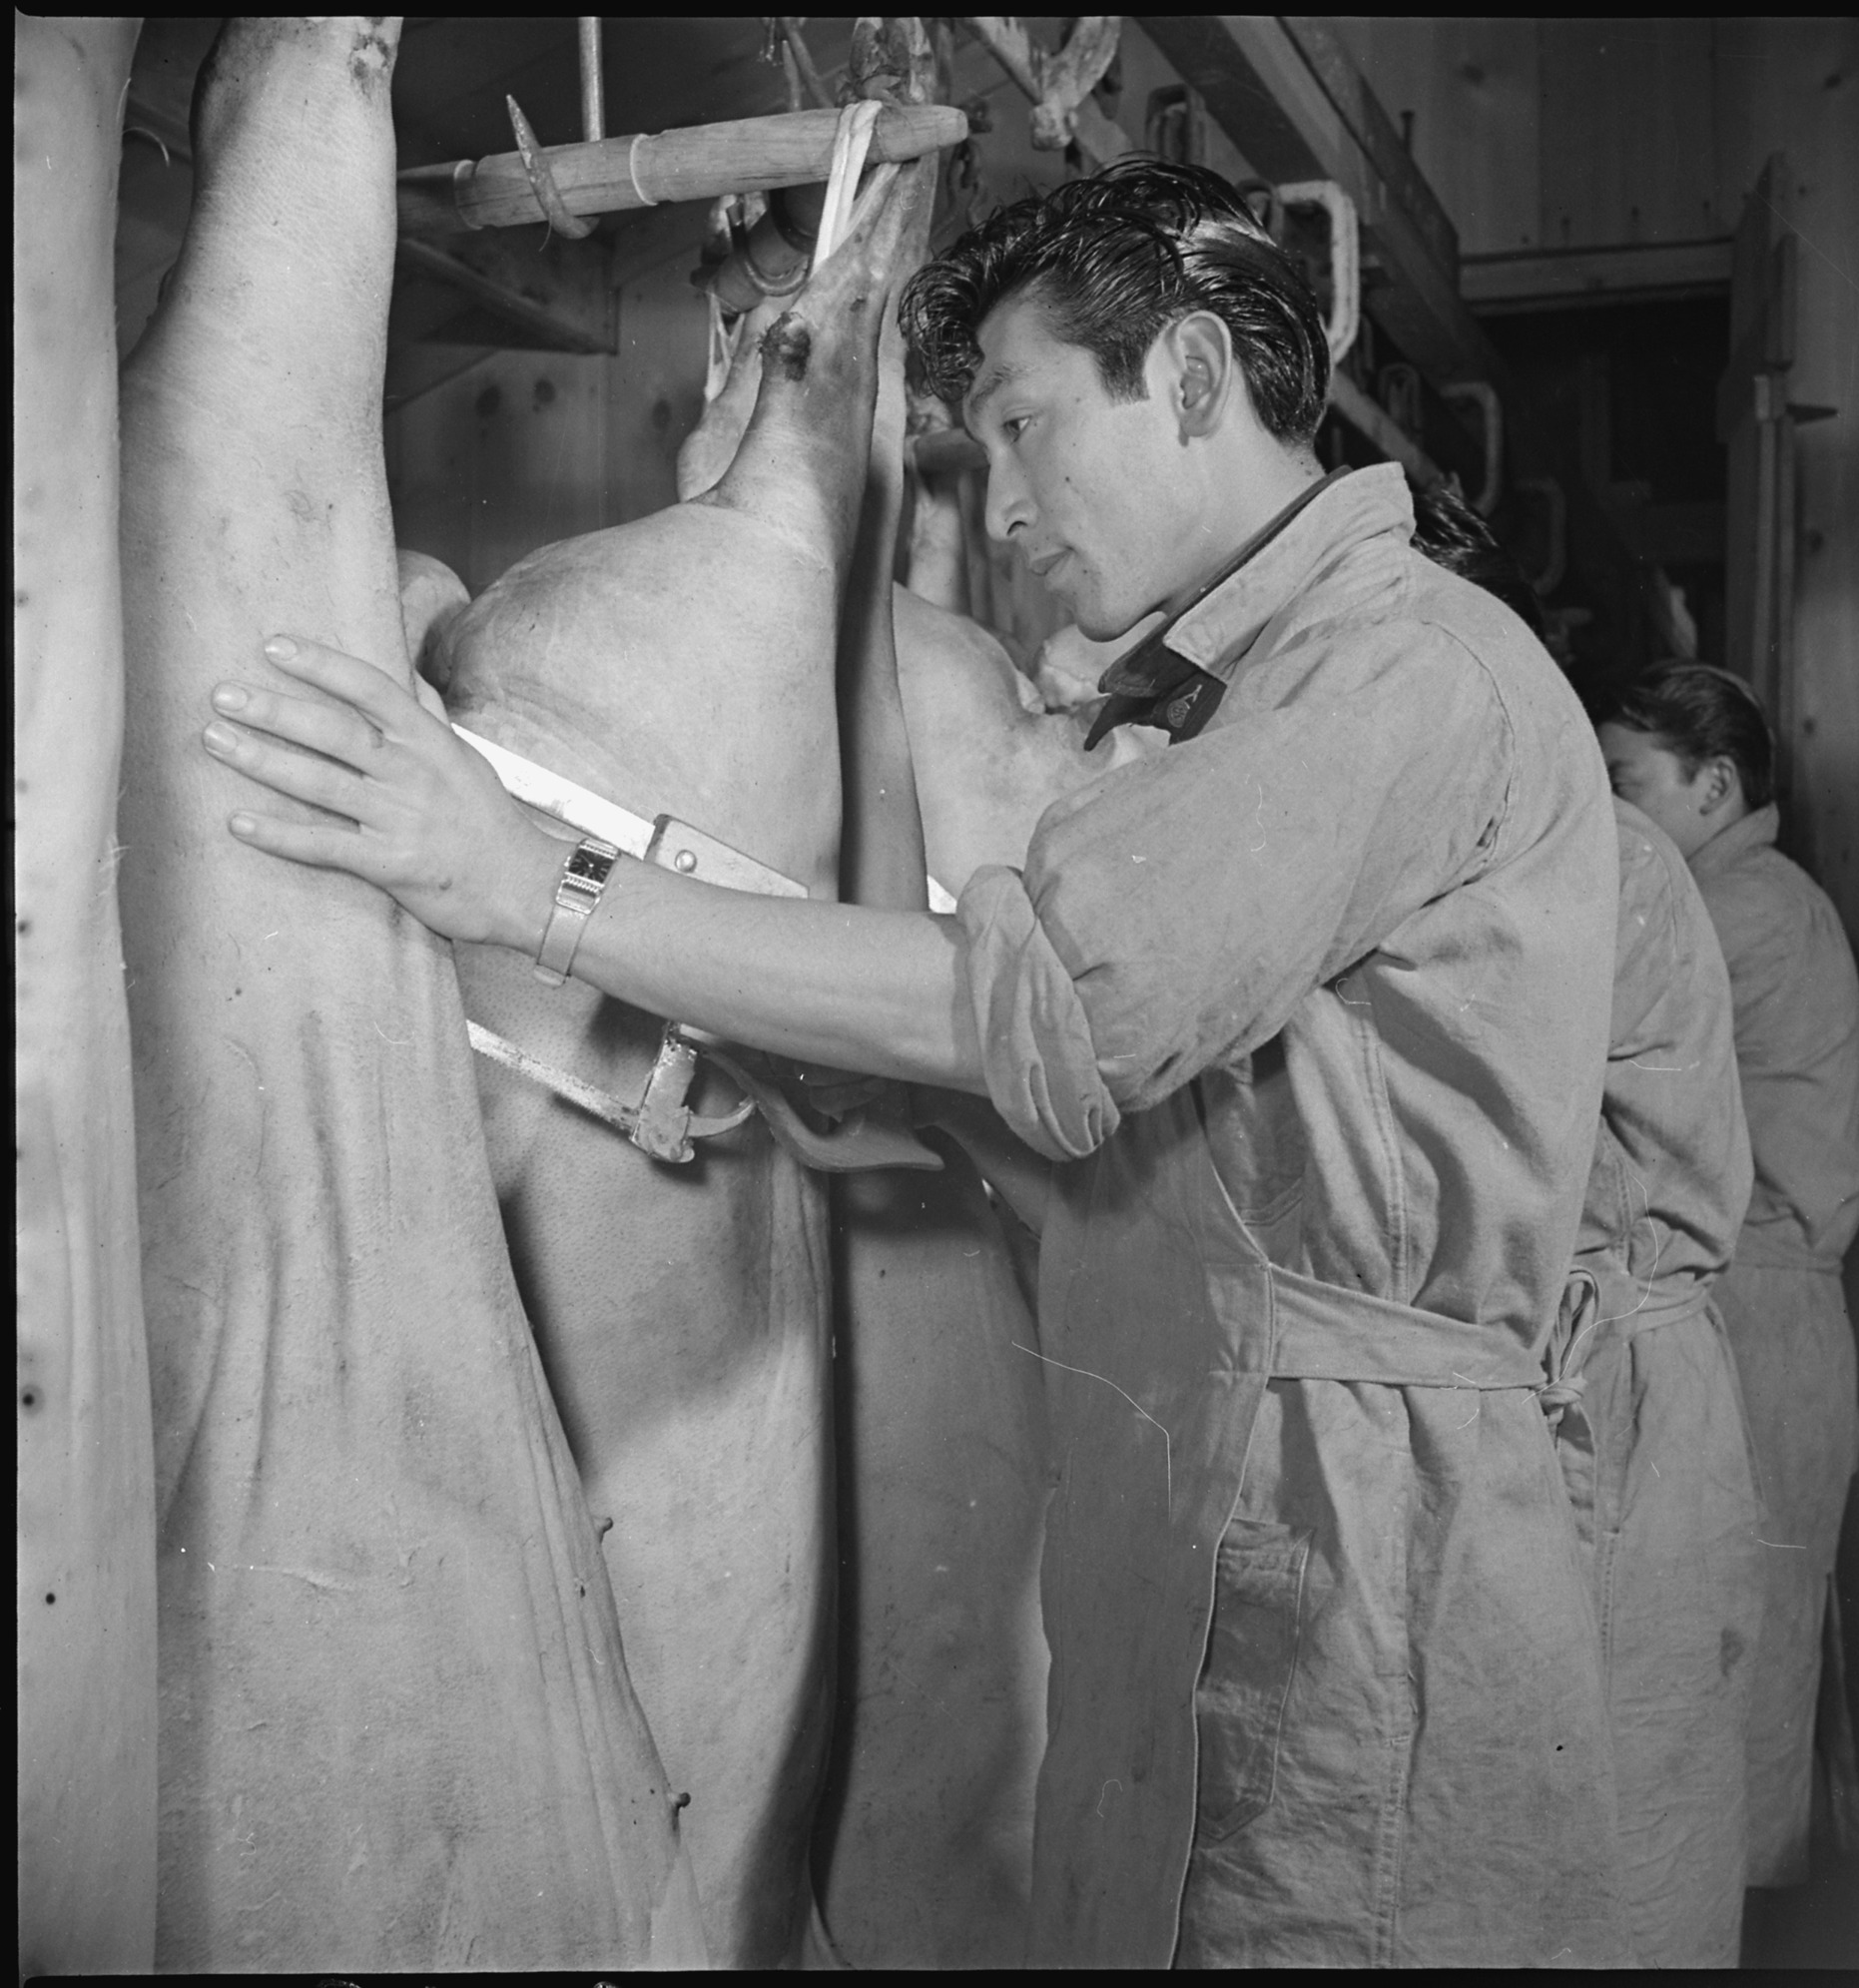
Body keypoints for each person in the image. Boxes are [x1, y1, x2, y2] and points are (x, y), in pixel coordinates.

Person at [199, 161, 1630, 1967]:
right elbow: (1174, 1118)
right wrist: (808, 1074)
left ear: (1191, 377)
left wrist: (538, 885)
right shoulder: (1219, 697)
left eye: (1028, 427)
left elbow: (1041, 1014)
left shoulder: (1398, 679)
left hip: (1356, 1550)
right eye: (971, 450)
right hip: (1223, 1496)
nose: (1005, 500)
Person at [1416, 500, 1764, 1963]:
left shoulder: (1590, 856)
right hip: (1593, 1378)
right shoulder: (1539, 834)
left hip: (1607, 1383)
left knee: (1615, 1850)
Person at [1596, 663, 1859, 1893]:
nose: (1606, 814)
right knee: (1736, 1679)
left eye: (1624, 784)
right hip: (1760, 1308)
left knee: (1731, 1689)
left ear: (1713, 785)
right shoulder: (1748, 894)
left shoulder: (1733, 909)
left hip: (1756, 1312)